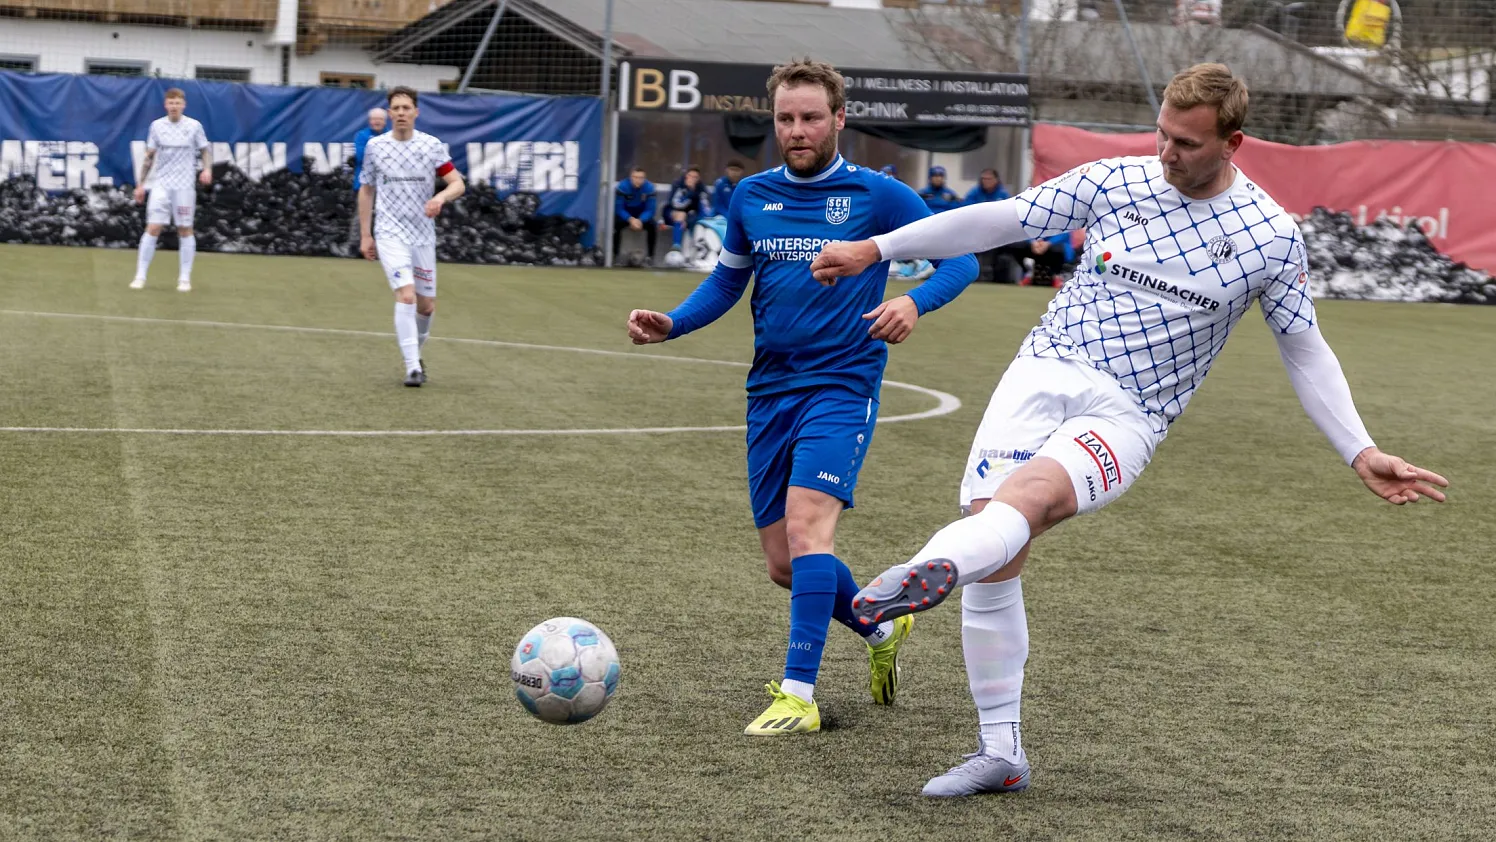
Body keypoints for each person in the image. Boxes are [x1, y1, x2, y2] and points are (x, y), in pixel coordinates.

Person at [810, 62, 1448, 795]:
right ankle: (1001, 752)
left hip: (1130, 413)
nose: (1168, 152)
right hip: (1041, 373)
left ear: (1233, 142)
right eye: (1162, 135)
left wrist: (1360, 449)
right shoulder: (1115, 180)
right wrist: (878, 249)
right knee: (997, 543)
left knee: (1028, 503)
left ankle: (932, 566)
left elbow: (1304, 347)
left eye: (1187, 143)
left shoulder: (1269, 236)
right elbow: (1002, 219)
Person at [626, 58, 979, 736]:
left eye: (811, 117)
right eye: (785, 118)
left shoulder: (878, 195)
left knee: (808, 529)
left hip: (843, 384)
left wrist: (913, 301)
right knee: (785, 564)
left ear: (838, 119)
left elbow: (960, 256)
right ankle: (881, 625)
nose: (797, 129)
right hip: (770, 390)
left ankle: (799, 696)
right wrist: (673, 323)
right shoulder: (751, 196)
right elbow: (727, 283)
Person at [358, 86, 465, 387]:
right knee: (406, 295)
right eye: (396, 108)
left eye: (406, 108)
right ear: (389, 113)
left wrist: (440, 198)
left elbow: (457, 183)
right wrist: (366, 235)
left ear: (416, 112)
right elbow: (366, 189)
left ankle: (415, 356)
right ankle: (412, 368)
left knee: (426, 306)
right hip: (390, 232)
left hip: (422, 234)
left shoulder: (431, 146)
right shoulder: (376, 147)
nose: (401, 113)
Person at [130, 87, 211, 292]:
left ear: (183, 105)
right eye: (171, 103)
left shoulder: (194, 126)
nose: (174, 106)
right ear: (166, 105)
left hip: (184, 186)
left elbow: (204, 149)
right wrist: (140, 184)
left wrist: (207, 169)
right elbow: (149, 156)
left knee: (185, 229)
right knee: (153, 227)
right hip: (162, 185)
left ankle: (184, 279)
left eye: (178, 103)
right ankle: (140, 276)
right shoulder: (157, 126)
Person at [349, 107, 388, 250]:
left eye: (380, 119)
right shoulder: (362, 135)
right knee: (361, 215)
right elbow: (362, 157)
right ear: (370, 121)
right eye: (374, 119)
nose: (377, 122)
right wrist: (385, 157)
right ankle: (354, 246)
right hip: (365, 183)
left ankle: (382, 247)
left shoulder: (391, 135)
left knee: (385, 216)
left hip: (387, 183)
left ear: (385, 121)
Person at [666, 166, 713, 257]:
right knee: (681, 215)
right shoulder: (678, 185)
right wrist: (689, 193)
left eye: (695, 177)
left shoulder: (701, 189)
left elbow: (705, 208)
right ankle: (676, 247)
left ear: (698, 179)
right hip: (674, 212)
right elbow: (675, 204)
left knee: (697, 220)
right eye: (690, 176)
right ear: (686, 176)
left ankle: (694, 254)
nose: (692, 179)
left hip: (691, 215)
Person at [613, 167, 658, 264]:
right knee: (615, 225)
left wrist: (641, 220)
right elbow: (619, 209)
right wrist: (630, 219)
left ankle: (650, 257)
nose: (638, 180)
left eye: (641, 178)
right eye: (635, 177)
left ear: (644, 178)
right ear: (631, 177)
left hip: (642, 216)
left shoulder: (650, 188)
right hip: (626, 215)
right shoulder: (622, 187)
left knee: (653, 226)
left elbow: (650, 210)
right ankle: (615, 255)